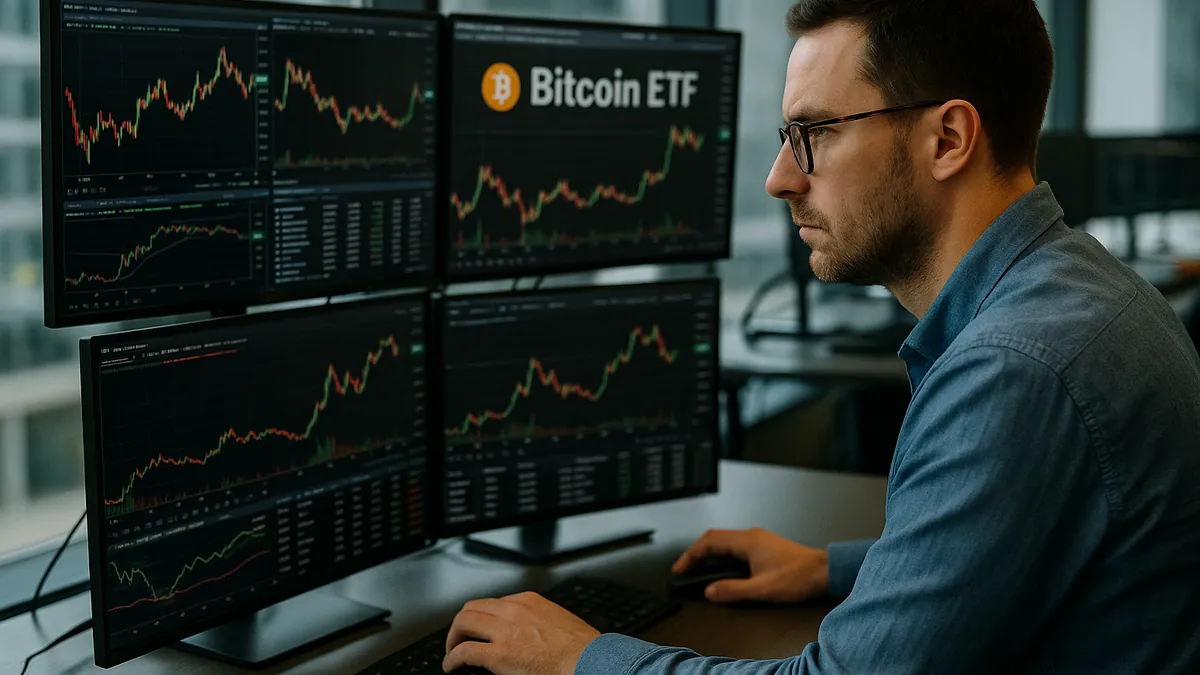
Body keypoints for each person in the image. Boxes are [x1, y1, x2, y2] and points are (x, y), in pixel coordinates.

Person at [441, 1, 1200, 673]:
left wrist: (580, 660)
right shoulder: (1082, 288)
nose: (778, 177)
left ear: (948, 139)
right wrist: (834, 568)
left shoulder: (1014, 368)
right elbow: (1031, 536)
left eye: (813, 133)